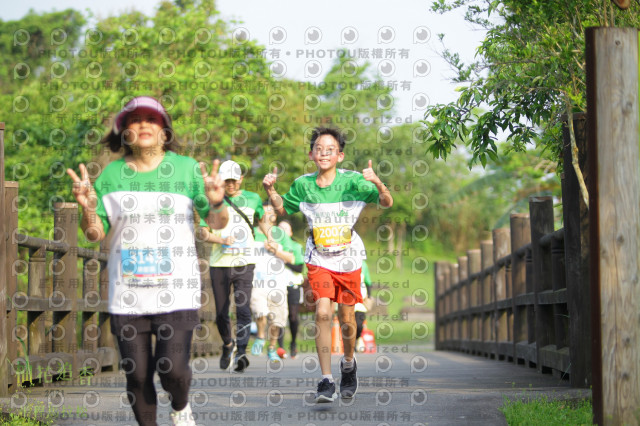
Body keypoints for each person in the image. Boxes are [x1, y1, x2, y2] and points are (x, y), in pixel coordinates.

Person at [67, 96, 228, 426]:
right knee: (137, 376)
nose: (143, 125)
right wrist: (87, 209)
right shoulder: (111, 175)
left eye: (151, 119)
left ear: (165, 130)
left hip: (177, 290)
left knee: (174, 369)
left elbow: (217, 224)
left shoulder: (185, 169)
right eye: (134, 119)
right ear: (124, 131)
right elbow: (95, 233)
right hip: (126, 293)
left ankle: (181, 407)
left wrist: (216, 203)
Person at [262, 126, 393, 403]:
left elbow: (386, 201)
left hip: (348, 259)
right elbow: (283, 207)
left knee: (346, 318)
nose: (324, 153)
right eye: (319, 149)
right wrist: (271, 190)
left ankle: (348, 362)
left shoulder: (354, 182)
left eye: (330, 149)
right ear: (312, 154)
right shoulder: (303, 184)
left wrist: (378, 182)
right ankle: (325, 379)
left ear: (340, 155)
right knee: (322, 313)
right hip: (318, 258)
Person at [199, 160, 270, 373]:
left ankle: (241, 352)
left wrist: (270, 236)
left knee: (243, 308)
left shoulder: (253, 198)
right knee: (221, 312)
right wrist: (221, 240)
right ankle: (227, 344)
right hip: (219, 262)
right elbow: (202, 232)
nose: (230, 185)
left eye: (233, 180)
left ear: (240, 179)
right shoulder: (210, 200)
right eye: (226, 180)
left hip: (244, 262)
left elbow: (261, 220)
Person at [249, 203, 295, 362]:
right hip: (257, 282)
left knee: (277, 319)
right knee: (259, 310)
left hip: (278, 284)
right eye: (265, 211)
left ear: (275, 217)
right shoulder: (252, 232)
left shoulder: (281, 235)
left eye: (271, 211)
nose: (268, 214)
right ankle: (261, 337)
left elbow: (291, 258)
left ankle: (271, 347)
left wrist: (276, 250)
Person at [276, 220, 305, 359]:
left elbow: (300, 268)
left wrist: (284, 259)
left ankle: (293, 343)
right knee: (279, 314)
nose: (282, 231)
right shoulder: (273, 246)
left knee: (292, 316)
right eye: (280, 228)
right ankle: (280, 347)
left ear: (291, 232)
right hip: (277, 284)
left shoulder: (296, 246)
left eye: (285, 229)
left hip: (293, 284)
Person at [354, 260, 373, 351]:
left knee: (359, 324)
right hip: (347, 299)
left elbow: (368, 282)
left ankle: (358, 338)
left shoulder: (363, 264)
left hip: (361, 300)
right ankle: (351, 343)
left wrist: (369, 296)